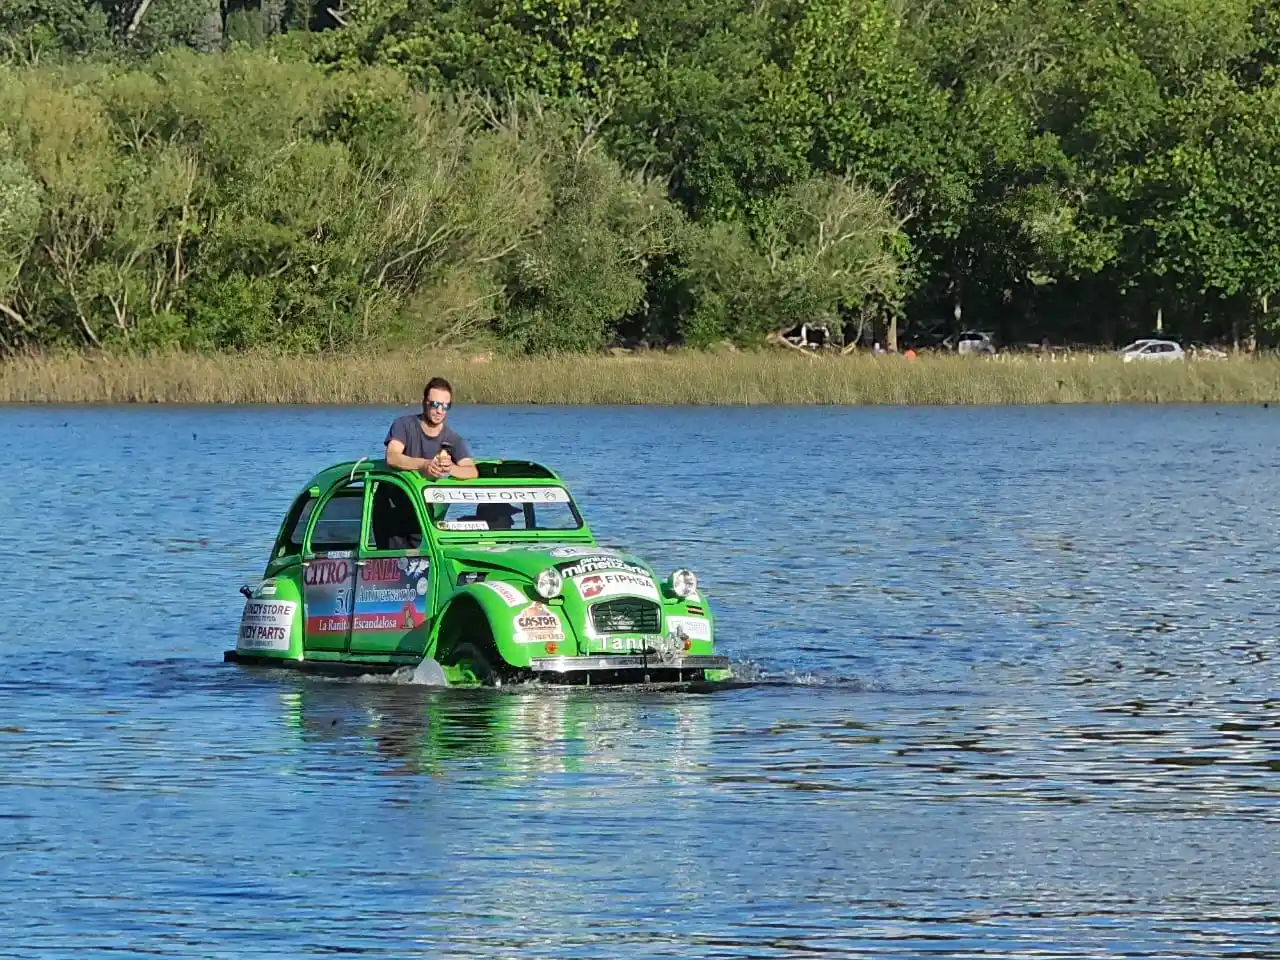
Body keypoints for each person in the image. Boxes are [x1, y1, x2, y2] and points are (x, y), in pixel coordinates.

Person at [384, 377, 479, 480]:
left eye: (445, 406)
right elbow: (392, 457)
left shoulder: (453, 439)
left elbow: (472, 471)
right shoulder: (403, 425)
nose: (439, 410)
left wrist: (450, 468)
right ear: (424, 402)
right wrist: (424, 465)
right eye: (435, 404)